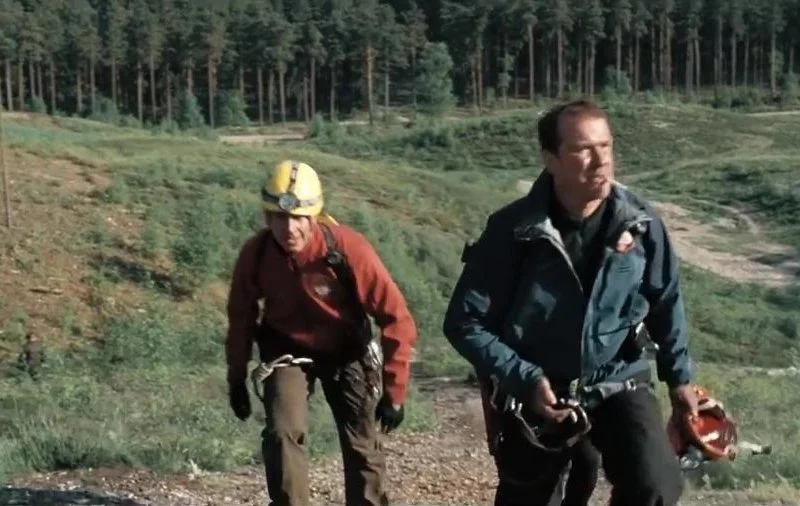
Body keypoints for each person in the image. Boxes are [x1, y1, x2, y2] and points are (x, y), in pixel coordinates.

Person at [442, 99, 699, 506]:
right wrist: (524, 378)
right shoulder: (513, 231)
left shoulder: (641, 224)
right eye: (583, 149)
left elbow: (666, 300)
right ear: (551, 160)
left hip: (616, 377)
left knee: (656, 486)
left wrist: (680, 381)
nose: (601, 161)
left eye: (606, 146)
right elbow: (464, 322)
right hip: (534, 390)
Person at [225, 159, 418, 506]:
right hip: (287, 351)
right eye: (280, 217)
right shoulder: (257, 255)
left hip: (347, 351)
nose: (289, 228)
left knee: (361, 443)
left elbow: (396, 318)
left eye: (299, 218)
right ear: (267, 217)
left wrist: (395, 392)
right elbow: (241, 317)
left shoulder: (347, 249)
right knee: (282, 433)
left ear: (314, 217)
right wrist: (236, 377)